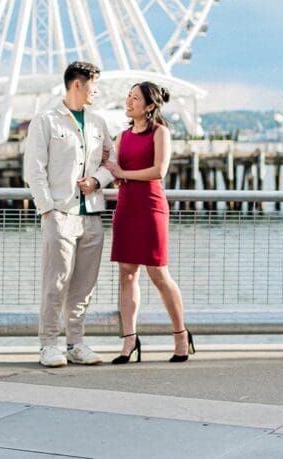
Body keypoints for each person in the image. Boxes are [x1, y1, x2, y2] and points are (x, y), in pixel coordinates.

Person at [23, 61, 116, 367]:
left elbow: (110, 163)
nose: (97, 90)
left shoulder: (98, 123)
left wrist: (97, 181)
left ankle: (76, 342)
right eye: (94, 84)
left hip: (92, 214)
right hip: (60, 213)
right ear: (78, 84)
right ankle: (49, 344)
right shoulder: (46, 121)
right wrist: (47, 209)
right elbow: (34, 169)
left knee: (84, 285)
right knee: (56, 283)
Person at [104, 82, 195, 363]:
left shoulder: (160, 133)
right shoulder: (122, 136)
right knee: (127, 273)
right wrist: (111, 172)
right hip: (126, 206)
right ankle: (129, 340)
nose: (128, 102)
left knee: (158, 273)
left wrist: (123, 173)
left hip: (151, 207)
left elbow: (159, 170)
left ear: (150, 106)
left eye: (134, 98)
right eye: (128, 96)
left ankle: (181, 334)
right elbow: (120, 174)